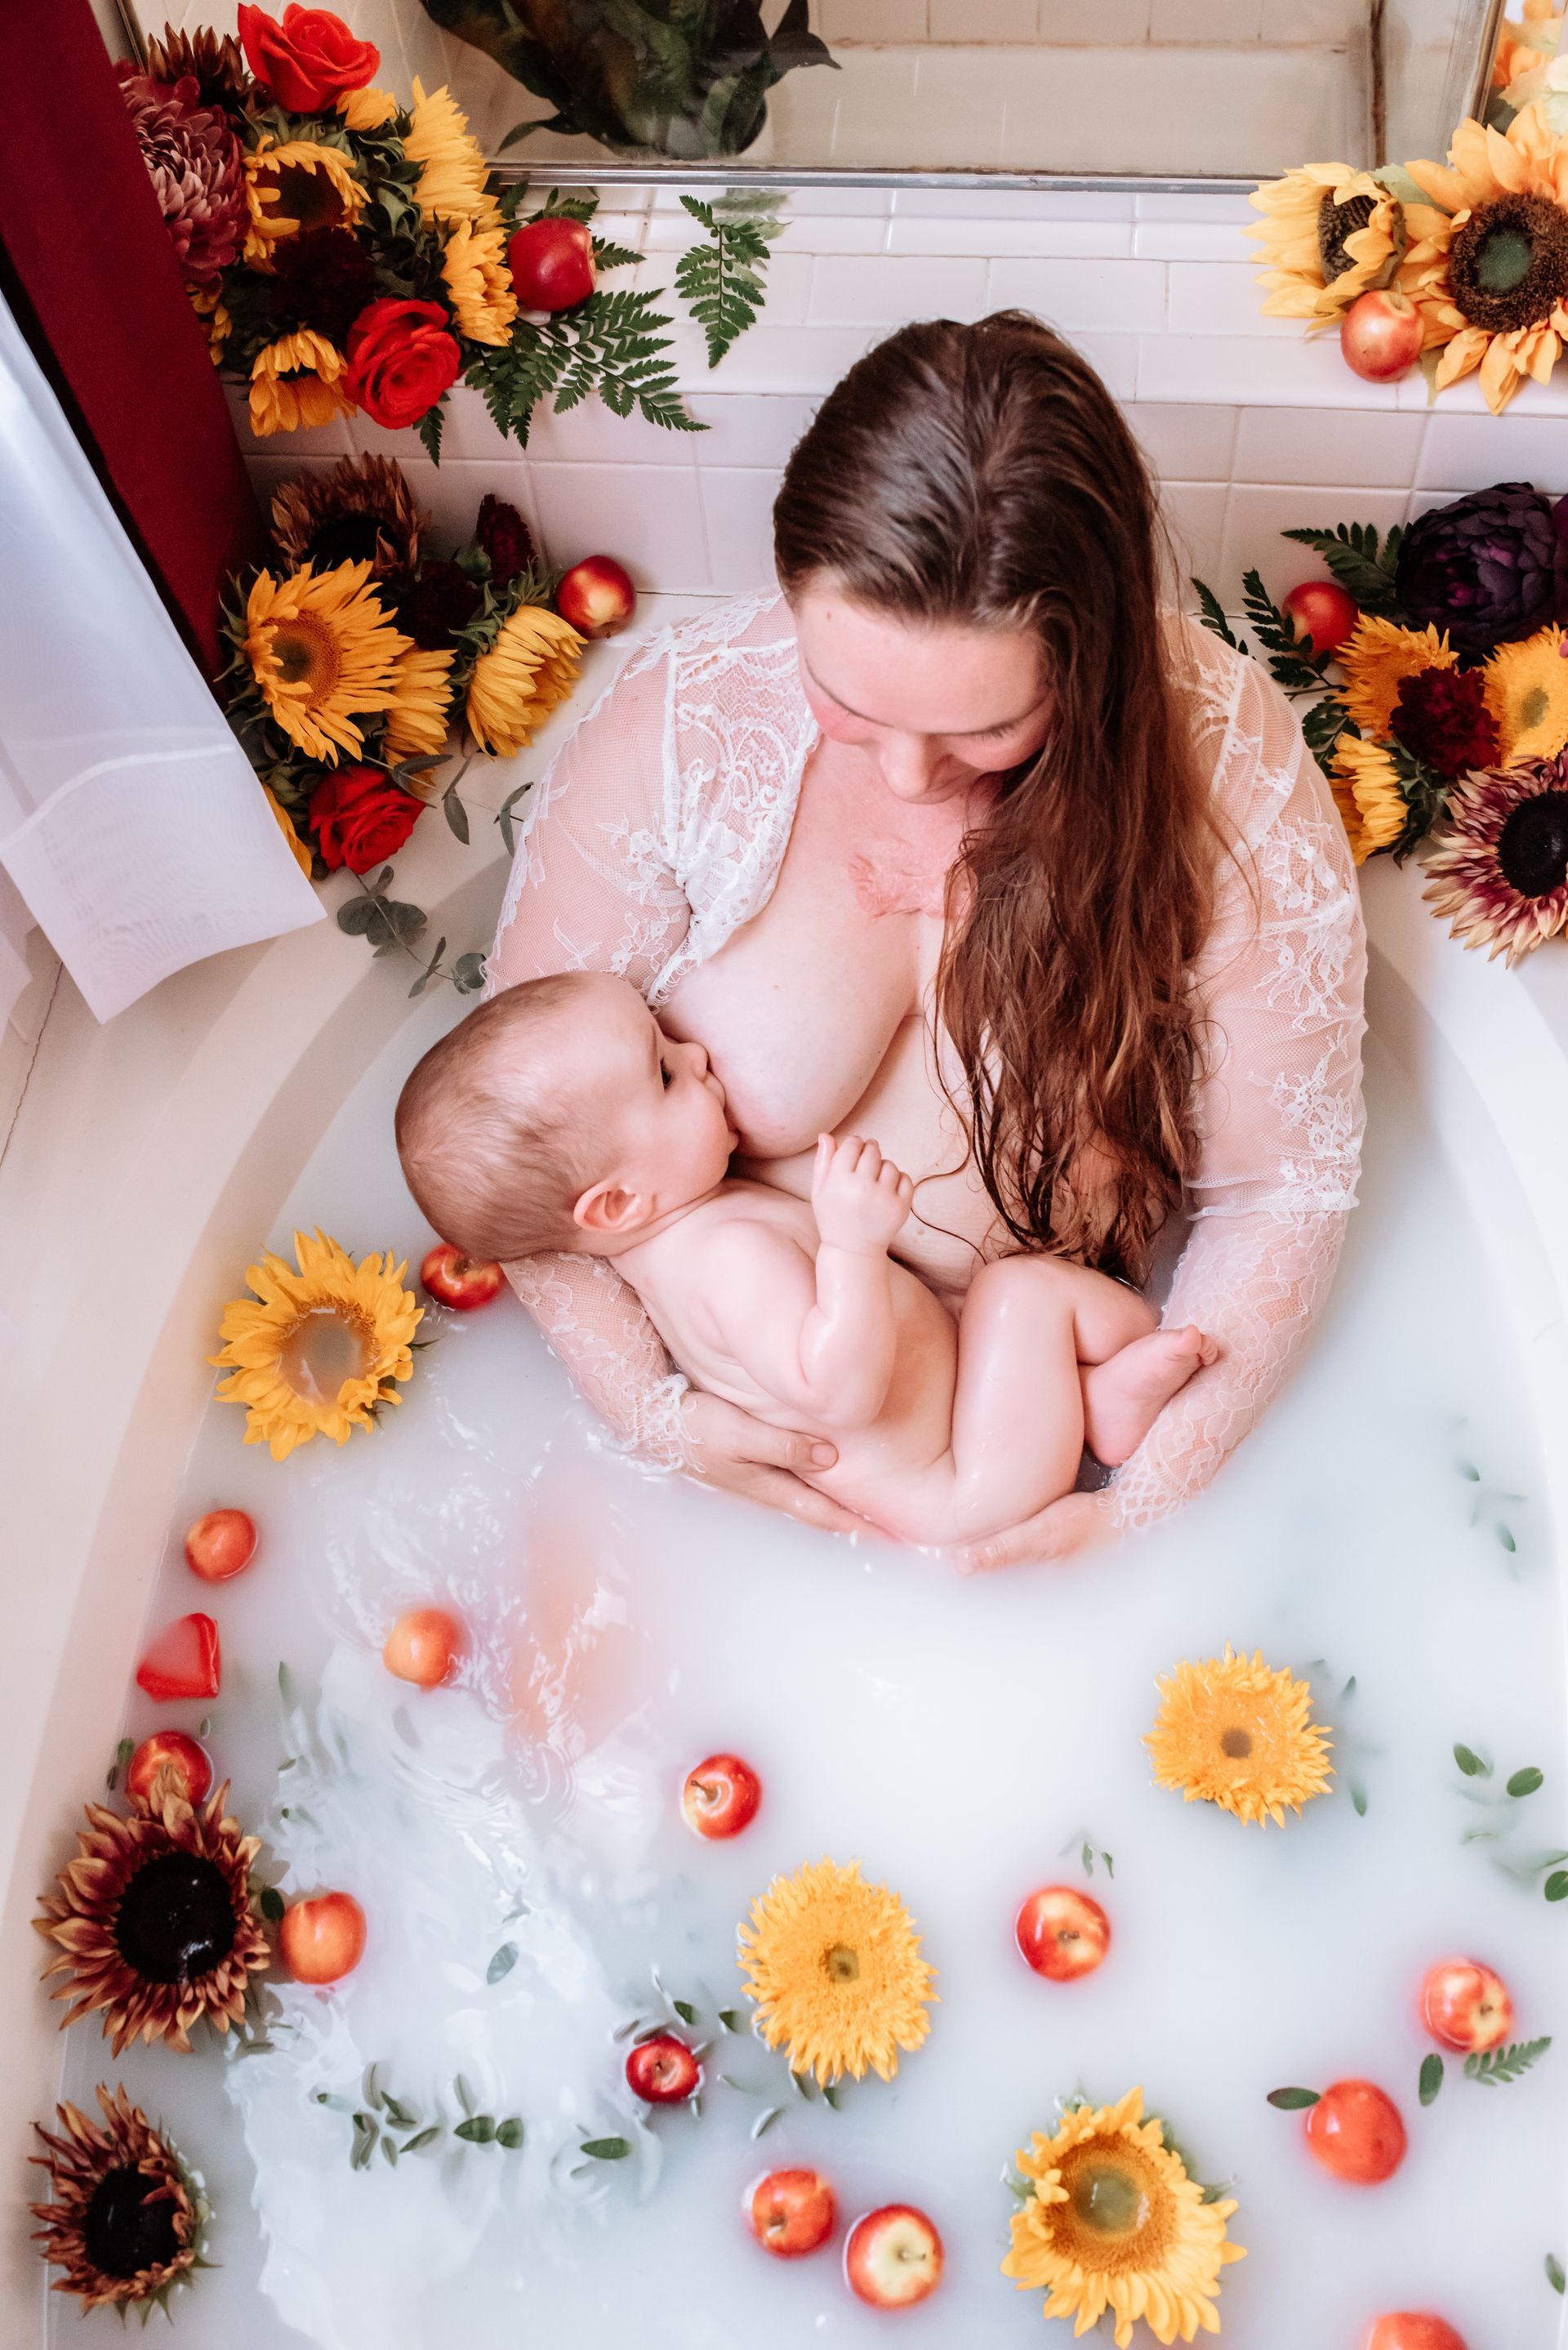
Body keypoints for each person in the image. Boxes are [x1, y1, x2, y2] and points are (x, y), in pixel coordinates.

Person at [482, 311, 1366, 1567]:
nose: (907, 774)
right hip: (759, 1464)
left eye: (986, 730)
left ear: (1091, 664)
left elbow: (1283, 1189)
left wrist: (1139, 1507)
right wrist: (652, 1415)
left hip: (1043, 1425)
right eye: (847, 698)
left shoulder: (1224, 769)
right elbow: (520, 1139)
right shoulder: (683, 731)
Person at [396, 971, 1219, 1546]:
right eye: (664, 1074)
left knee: (1003, 1310)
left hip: (964, 1428)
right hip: (968, 1480)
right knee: (1021, 1290)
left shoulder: (673, 1244)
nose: (699, 1058)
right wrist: (855, 1245)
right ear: (616, 1204)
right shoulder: (726, 1257)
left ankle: (1086, 1401)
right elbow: (841, 1393)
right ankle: (1114, 1382)